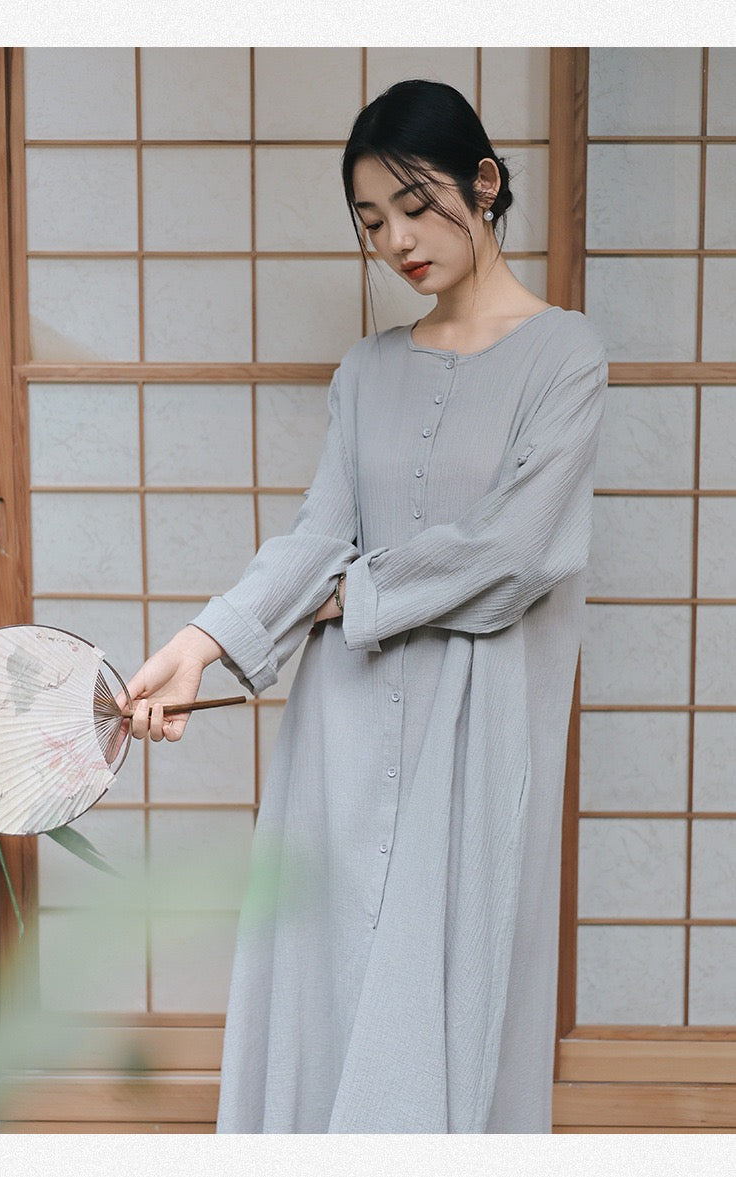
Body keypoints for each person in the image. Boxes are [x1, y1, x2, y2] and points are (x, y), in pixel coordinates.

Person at [126, 79, 608, 1133]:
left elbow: (519, 550)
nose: (396, 241)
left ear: (485, 183)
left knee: (453, 986)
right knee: (328, 976)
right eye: (372, 220)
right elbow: (319, 531)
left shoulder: (566, 355)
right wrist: (204, 640)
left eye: (416, 205)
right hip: (340, 722)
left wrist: (357, 593)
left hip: (476, 726)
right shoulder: (366, 369)